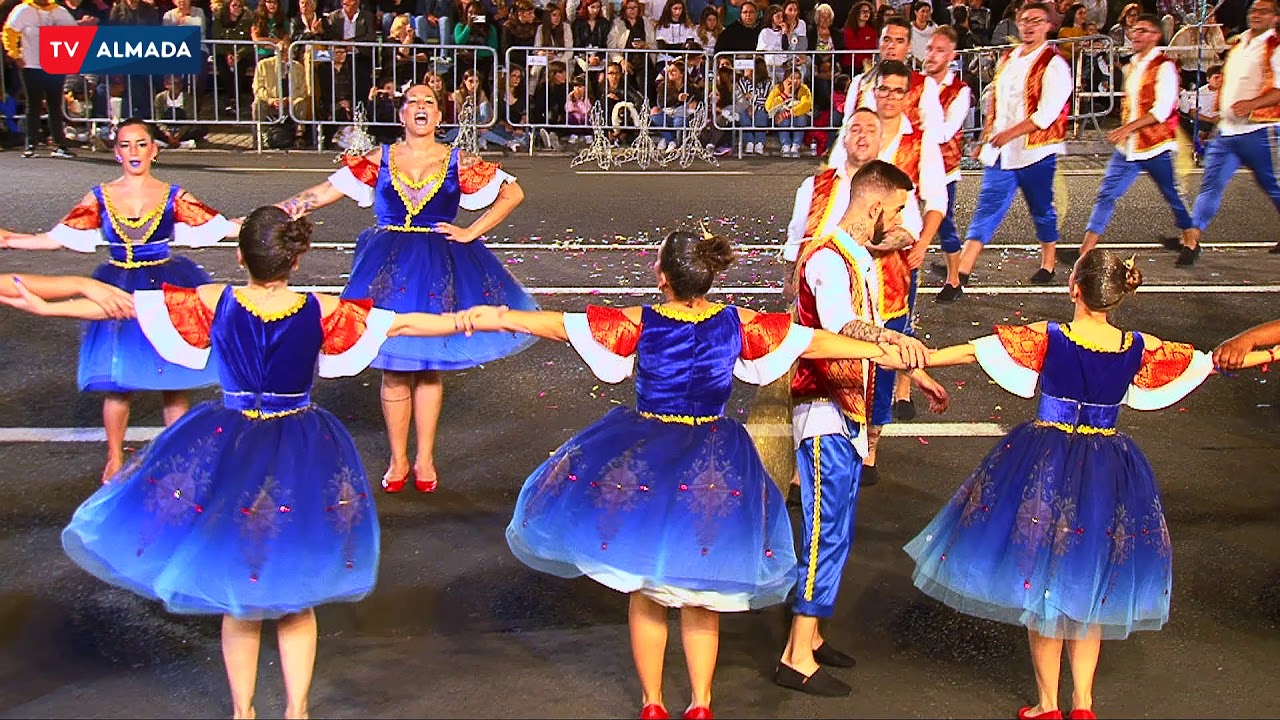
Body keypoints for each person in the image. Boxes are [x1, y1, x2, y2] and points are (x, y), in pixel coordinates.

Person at [0, 206, 497, 720]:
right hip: (300, 445)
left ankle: (244, 712)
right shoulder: (322, 308)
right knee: (295, 590)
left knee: (239, 589)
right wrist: (464, 319)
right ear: (296, 259)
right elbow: (403, 324)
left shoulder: (216, 299)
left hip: (230, 443)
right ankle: (297, 711)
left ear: (240, 256)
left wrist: (44, 307)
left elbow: (119, 308)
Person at [444, 228, 904, 720]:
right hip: (714, 460)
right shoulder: (736, 321)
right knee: (703, 591)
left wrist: (498, 315)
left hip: (650, 456)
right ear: (709, 276)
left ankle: (653, 703)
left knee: (646, 588)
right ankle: (701, 704)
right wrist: (884, 348)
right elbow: (810, 341)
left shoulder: (642, 321)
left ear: (662, 276)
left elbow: (562, 326)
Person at [906, 250, 1273, 720]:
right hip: (1107, 468)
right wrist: (1272, 350)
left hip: (1046, 461)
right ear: (1117, 296)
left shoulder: (1050, 335)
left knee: (1041, 580)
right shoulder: (1138, 347)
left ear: (1073, 288)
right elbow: (1208, 363)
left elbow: (973, 351)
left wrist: (913, 359)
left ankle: (1047, 704)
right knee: (1089, 578)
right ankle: (1084, 704)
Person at [272, 85, 536, 496]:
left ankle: (425, 457)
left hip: (438, 268)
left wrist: (471, 232)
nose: (421, 107)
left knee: (429, 365)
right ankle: (398, 458)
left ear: (439, 115)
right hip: (387, 269)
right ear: (401, 114)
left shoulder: (456, 160)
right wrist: (270, 216)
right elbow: (323, 193)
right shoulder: (379, 159)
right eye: (413, 101)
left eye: (430, 101)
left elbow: (513, 191)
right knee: (394, 365)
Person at [779, 161, 945, 697]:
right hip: (825, 409)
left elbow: (865, 318)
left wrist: (911, 372)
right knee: (825, 530)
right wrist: (898, 345)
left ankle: (813, 633)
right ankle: (796, 654)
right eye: (895, 209)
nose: (898, 219)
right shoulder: (828, 260)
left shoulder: (856, 256)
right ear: (874, 207)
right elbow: (840, 325)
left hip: (846, 409)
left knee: (837, 530)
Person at [0, 118, 240, 483]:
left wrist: (278, 220)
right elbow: (57, 237)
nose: (134, 152)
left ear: (154, 150)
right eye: (126, 145)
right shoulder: (99, 196)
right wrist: (10, 240)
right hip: (117, 283)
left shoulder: (173, 194)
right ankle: (113, 457)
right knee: (117, 379)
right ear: (116, 152)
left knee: (173, 376)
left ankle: (178, 454)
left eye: (141, 144)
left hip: (167, 283)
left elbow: (223, 226)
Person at [952, 2, 1071, 293]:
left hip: (1036, 152)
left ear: (1048, 25)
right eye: (1025, 20)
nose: (1029, 26)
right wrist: (986, 139)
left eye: (1036, 21)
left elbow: (1046, 114)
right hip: (1002, 152)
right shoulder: (1009, 58)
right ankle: (962, 271)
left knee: (1041, 208)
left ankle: (1048, 262)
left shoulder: (1055, 64)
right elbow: (997, 105)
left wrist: (1009, 134)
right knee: (987, 207)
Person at [1077, 14, 1192, 259]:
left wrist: (1128, 128)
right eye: (1135, 30)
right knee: (1107, 192)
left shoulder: (1164, 67)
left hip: (1155, 144)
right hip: (1129, 146)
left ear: (1156, 35)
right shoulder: (1132, 65)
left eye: (1143, 30)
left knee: (1171, 193)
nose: (1136, 35)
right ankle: (1086, 249)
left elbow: (1161, 110)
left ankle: (1191, 242)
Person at [1179, 0, 1280, 265]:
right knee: (1211, 186)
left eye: (1263, 11)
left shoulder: (1275, 48)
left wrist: (1251, 104)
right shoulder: (1237, 44)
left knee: (1273, 187)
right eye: (1253, 10)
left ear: (1275, 18)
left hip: (1259, 129)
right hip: (1227, 131)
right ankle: (1192, 241)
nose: (1256, 15)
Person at [925, 27, 974, 304]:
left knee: (944, 223)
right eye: (930, 48)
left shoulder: (959, 91)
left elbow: (947, 131)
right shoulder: (917, 82)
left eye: (939, 50)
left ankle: (954, 280)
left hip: (942, 167)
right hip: (912, 166)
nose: (932, 55)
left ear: (951, 55)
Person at [3, 0, 80, 158]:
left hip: (54, 64)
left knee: (55, 105)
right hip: (31, 65)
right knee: (34, 105)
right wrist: (15, 54)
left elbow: (75, 32)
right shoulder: (23, 10)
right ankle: (30, 144)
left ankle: (60, 145)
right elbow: (9, 32)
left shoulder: (59, 11)